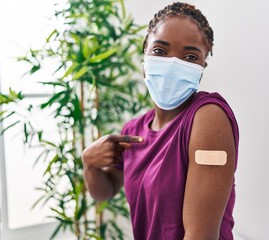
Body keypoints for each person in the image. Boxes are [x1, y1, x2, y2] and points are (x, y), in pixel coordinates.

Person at [82, 2, 239, 240]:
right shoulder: (133, 131)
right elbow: (106, 190)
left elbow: (201, 236)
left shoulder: (208, 118)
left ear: (202, 66)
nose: (173, 64)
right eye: (160, 51)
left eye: (190, 56)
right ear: (144, 54)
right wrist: (89, 162)